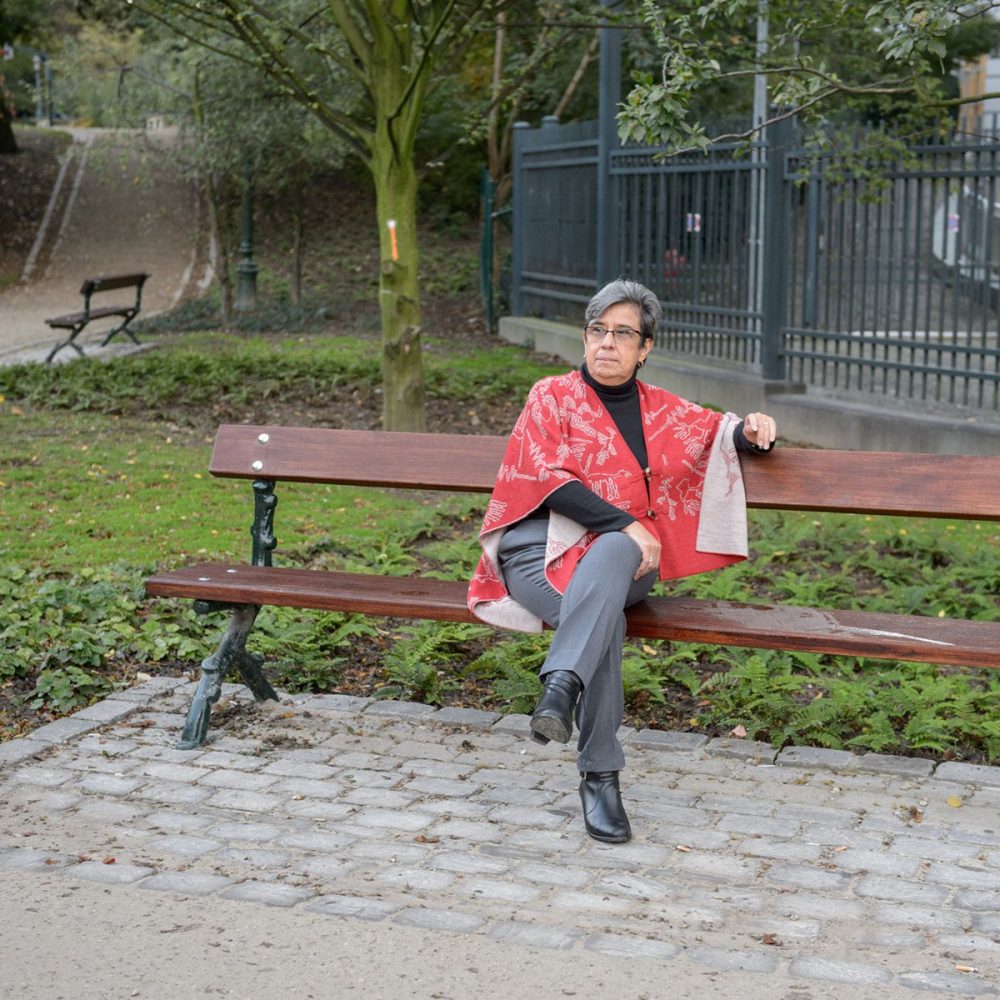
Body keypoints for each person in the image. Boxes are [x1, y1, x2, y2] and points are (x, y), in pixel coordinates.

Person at [468, 278, 777, 844]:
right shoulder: (550, 396)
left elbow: (720, 432)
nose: (606, 342)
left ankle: (561, 685)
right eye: (597, 330)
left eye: (622, 333)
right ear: (585, 337)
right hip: (537, 553)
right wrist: (629, 521)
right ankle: (599, 775)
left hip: (624, 561)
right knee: (603, 609)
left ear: (646, 347)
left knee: (613, 557)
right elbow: (547, 479)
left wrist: (756, 430)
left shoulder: (661, 410)